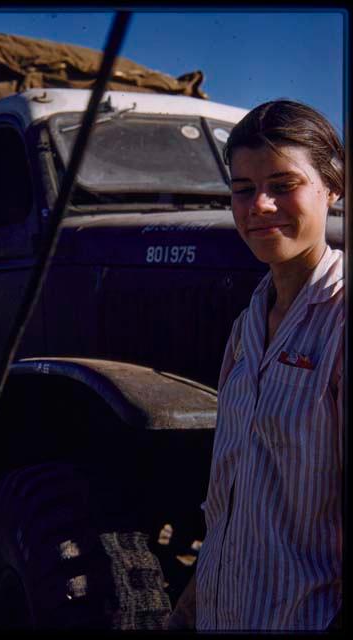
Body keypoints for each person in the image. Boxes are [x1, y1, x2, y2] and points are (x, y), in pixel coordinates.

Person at [167, 99, 344, 631]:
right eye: (243, 190)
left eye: (283, 184)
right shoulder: (248, 325)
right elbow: (232, 500)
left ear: (332, 188)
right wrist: (189, 606)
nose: (260, 206)